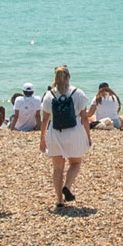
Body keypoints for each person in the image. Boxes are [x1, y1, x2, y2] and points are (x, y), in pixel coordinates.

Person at [40, 66, 91, 209]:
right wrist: (88, 136)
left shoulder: (49, 95)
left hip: (55, 132)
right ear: (69, 76)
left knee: (57, 169)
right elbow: (85, 118)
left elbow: (45, 119)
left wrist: (42, 139)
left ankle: (59, 201)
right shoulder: (77, 93)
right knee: (75, 163)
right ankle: (67, 186)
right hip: (74, 132)